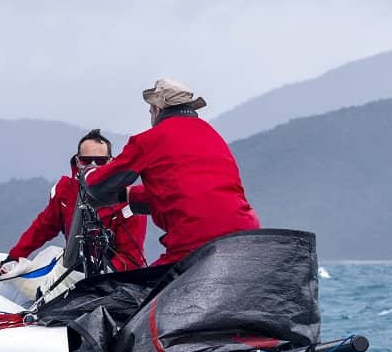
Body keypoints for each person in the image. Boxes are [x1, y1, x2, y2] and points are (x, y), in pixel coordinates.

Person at [81, 79, 259, 270]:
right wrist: (129, 195)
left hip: (195, 242)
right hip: (247, 234)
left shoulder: (148, 140)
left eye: (150, 111)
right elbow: (187, 192)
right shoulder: (212, 134)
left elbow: (98, 186)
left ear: (157, 110)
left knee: (149, 287)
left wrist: (88, 171)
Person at [0, 129, 147, 277]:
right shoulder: (64, 191)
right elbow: (42, 228)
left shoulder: (127, 200)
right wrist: (14, 256)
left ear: (111, 162)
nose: (92, 165)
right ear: (77, 161)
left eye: (100, 161)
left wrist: (100, 277)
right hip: (73, 270)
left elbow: (131, 258)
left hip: (114, 279)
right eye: (86, 160)